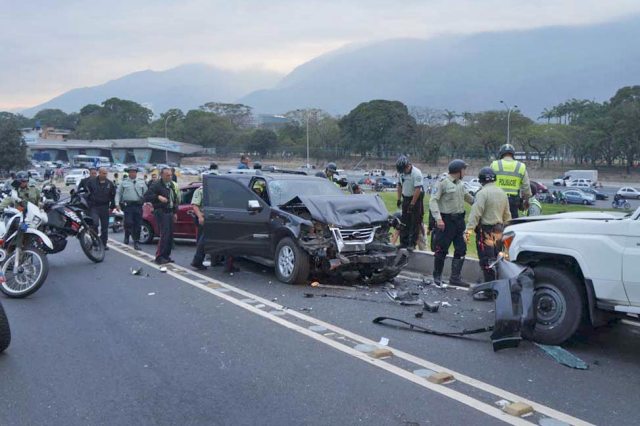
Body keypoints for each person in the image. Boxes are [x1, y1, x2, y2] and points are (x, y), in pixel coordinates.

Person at [464, 167, 511, 298]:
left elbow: (475, 214)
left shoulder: (482, 193)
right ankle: (499, 289)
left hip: (486, 231)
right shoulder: (502, 193)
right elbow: (507, 215)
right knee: (498, 260)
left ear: (481, 180)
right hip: (499, 231)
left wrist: (468, 231)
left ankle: (489, 292)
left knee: (487, 261)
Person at [429, 159, 474, 286]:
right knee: (441, 249)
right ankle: (437, 276)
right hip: (446, 221)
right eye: (464, 169)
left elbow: (468, 198)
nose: (465, 171)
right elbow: (433, 200)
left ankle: (455, 278)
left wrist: (478, 203)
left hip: (459, 221)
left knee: (461, 249)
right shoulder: (443, 182)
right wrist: (438, 219)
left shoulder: (460, 184)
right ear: (458, 171)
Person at [144, 168, 180, 264]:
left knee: (170, 235)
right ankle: (159, 256)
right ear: (162, 175)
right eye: (167, 175)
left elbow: (174, 199)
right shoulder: (156, 185)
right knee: (164, 234)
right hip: (161, 211)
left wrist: (175, 212)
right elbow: (147, 196)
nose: (169, 177)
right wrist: (158, 197)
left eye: (171, 175)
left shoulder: (172, 185)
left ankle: (166, 256)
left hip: (170, 211)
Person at [490, 144, 532, 219]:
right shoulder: (521, 166)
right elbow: (526, 186)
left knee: (495, 222)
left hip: (496, 199)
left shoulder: (494, 164)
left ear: (501, 153)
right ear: (513, 154)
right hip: (513, 201)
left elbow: (488, 183)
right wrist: (526, 200)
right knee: (512, 223)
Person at [395, 155, 424, 250]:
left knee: (415, 222)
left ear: (407, 166)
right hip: (406, 198)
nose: (402, 172)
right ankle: (404, 242)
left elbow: (417, 189)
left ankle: (412, 244)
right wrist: (399, 199)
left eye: (403, 170)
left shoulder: (417, 173)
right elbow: (399, 186)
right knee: (404, 221)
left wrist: (412, 204)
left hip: (416, 199)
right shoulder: (402, 173)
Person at [115, 166, 147, 250]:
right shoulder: (123, 182)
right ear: (128, 173)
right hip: (128, 206)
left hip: (138, 206)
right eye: (131, 172)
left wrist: (147, 202)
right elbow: (118, 193)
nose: (132, 173)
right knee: (128, 222)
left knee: (138, 224)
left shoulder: (141, 182)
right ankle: (127, 235)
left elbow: (147, 193)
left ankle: (136, 242)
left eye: (134, 172)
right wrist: (117, 203)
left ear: (136, 173)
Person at [86, 167, 116, 250]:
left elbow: (113, 196)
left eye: (106, 173)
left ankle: (103, 243)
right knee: (95, 224)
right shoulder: (91, 182)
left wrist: (112, 206)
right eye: (103, 173)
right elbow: (86, 194)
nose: (105, 175)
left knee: (105, 227)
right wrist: (88, 205)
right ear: (99, 173)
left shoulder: (110, 184)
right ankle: (95, 241)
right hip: (94, 207)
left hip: (105, 207)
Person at [190, 185, 207, 270]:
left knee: (205, 240)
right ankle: (197, 261)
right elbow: (195, 205)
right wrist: (200, 217)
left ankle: (215, 260)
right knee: (203, 240)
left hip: (211, 217)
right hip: (202, 217)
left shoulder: (215, 189)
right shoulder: (200, 190)